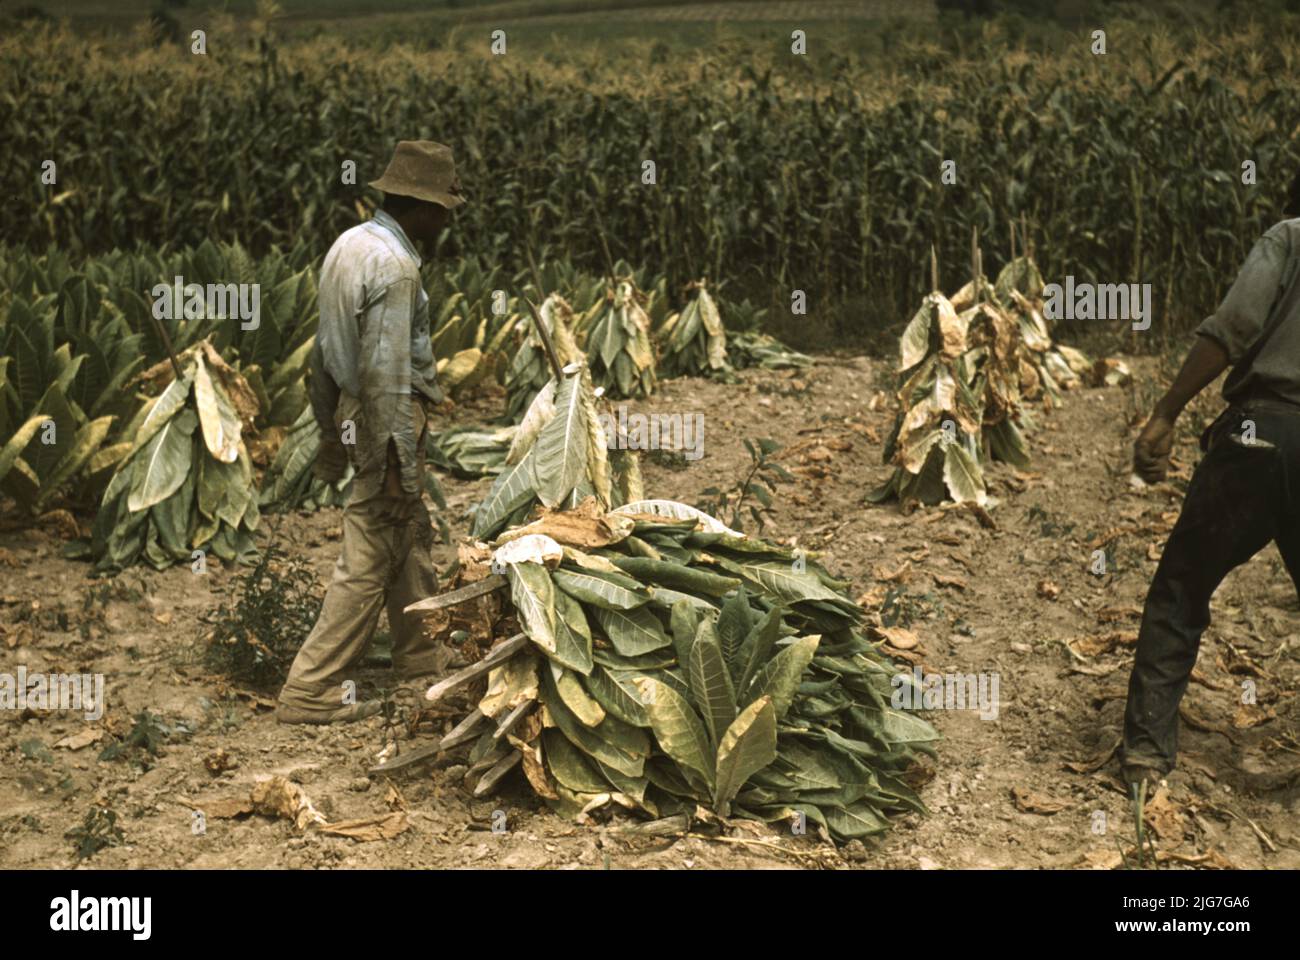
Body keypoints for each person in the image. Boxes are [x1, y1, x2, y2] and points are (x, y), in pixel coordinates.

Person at [275, 141, 465, 724]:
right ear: (421, 206)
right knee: (371, 546)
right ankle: (311, 688)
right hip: (387, 417)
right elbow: (384, 375)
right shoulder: (397, 266)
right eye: (442, 208)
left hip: (360, 413)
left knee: (409, 533)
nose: (446, 220)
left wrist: (332, 431)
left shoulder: (350, 244)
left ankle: (418, 655)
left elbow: (321, 350)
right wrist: (397, 462)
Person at [1121, 176, 1300, 784]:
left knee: (1182, 587)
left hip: (1260, 435)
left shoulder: (1288, 237)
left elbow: (1231, 327)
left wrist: (1166, 412)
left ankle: (1146, 754)